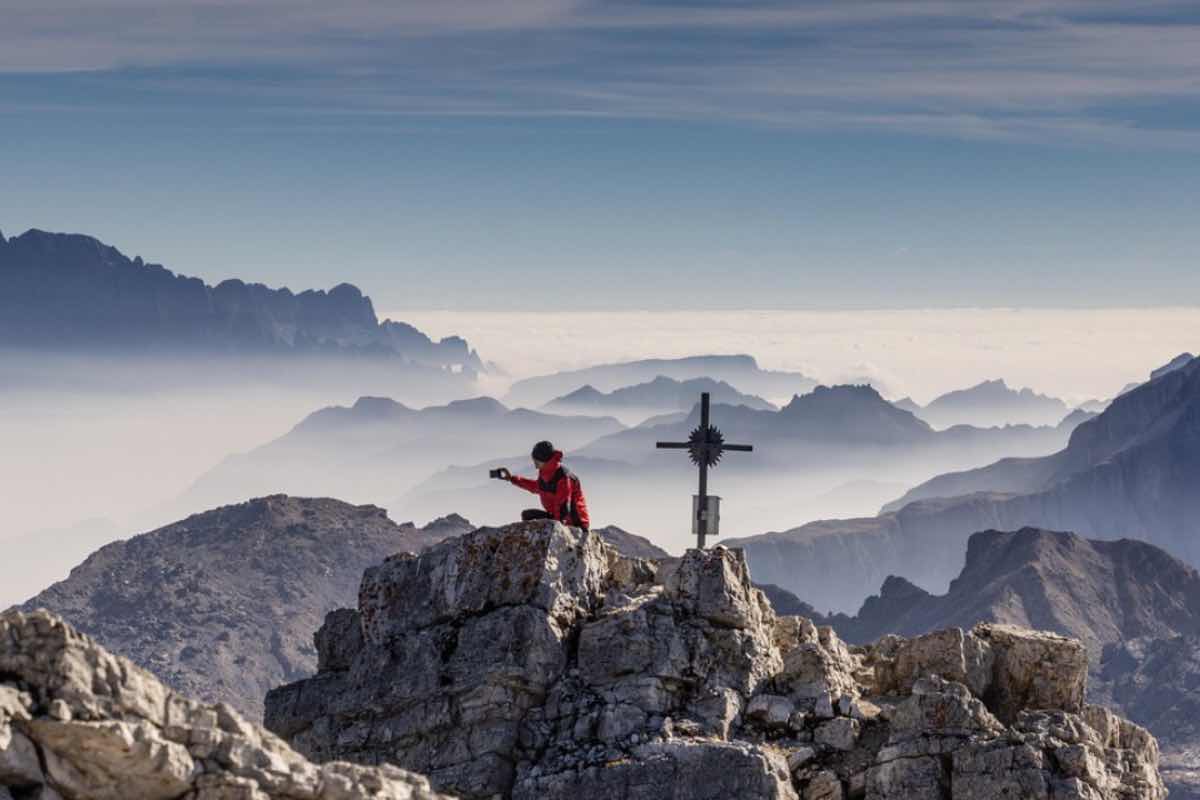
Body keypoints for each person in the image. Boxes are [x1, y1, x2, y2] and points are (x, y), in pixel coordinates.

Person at [494, 440, 590, 530]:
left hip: (575, 523)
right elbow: (536, 487)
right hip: (556, 517)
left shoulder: (564, 478)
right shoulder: (546, 472)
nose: (535, 465)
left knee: (538, 525)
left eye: (536, 461)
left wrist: (558, 530)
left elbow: (563, 508)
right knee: (527, 516)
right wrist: (512, 479)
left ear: (544, 460)